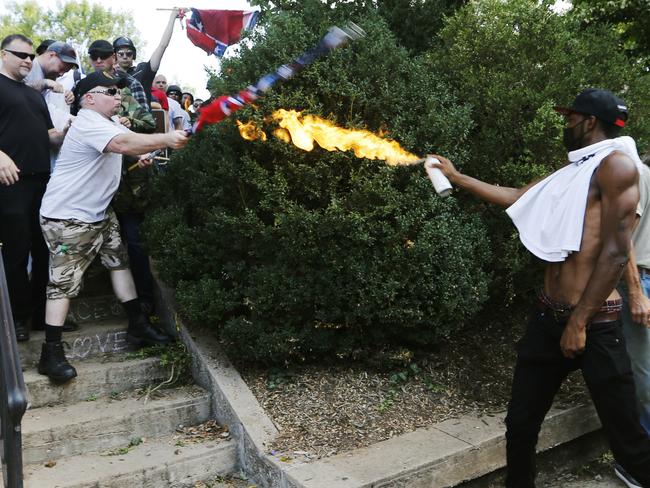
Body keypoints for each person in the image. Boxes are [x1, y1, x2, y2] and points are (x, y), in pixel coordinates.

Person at [430, 88, 650, 487]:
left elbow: (617, 252)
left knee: (627, 434)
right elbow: (517, 197)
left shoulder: (617, 168)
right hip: (548, 317)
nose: (565, 125)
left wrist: (579, 322)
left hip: (595, 324)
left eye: (570, 118)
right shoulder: (573, 170)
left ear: (589, 121)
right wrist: (456, 176)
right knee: (520, 422)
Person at [38, 71, 189, 383]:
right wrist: (165, 139)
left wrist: (141, 154)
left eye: (119, 91)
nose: (119, 96)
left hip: (100, 214)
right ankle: (50, 353)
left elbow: (118, 149)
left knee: (119, 263)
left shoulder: (106, 123)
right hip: (68, 218)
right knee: (63, 283)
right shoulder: (87, 121)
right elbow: (120, 144)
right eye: (110, 91)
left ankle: (137, 323)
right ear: (89, 98)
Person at [0, 34, 67, 342]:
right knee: (16, 251)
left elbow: (50, 135)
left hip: (43, 183)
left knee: (45, 250)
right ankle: (17, 317)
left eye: (30, 56)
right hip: (12, 184)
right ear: (3, 54)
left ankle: (43, 315)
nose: (28, 60)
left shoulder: (32, 94)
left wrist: (70, 129)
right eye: (20, 55)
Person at [618, 152, 650, 437]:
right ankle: (641, 450)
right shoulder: (639, 174)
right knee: (644, 370)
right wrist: (636, 291)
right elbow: (622, 234)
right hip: (641, 281)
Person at [113, 8, 179, 105]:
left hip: (142, 118)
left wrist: (172, 17)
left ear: (133, 55)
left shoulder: (143, 70)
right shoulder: (108, 76)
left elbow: (162, 46)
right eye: (121, 53)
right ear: (114, 56)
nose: (125, 56)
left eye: (129, 53)